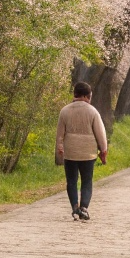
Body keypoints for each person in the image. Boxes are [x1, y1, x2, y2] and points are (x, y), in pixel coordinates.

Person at [56, 82, 108, 220]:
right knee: (87, 181)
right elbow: (100, 133)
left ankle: (74, 207)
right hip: (88, 153)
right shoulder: (92, 111)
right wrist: (103, 150)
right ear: (86, 96)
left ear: (75, 94)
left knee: (71, 181)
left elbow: (60, 135)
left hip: (70, 152)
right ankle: (84, 208)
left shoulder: (64, 111)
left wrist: (59, 150)